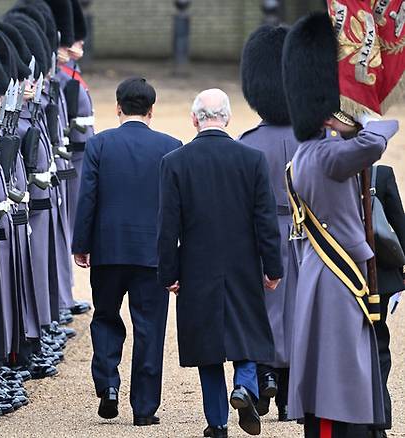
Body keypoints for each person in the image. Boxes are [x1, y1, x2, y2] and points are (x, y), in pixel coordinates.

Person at [281, 12, 398, 437]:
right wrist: (359, 114)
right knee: (338, 378)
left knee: (342, 371)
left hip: (325, 272)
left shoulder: (305, 157)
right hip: (338, 277)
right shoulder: (329, 155)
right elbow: (382, 134)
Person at [158, 88, 283, 438]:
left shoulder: (174, 162)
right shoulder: (253, 159)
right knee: (247, 330)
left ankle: (216, 423)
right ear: (227, 118)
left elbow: (167, 226)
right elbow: (266, 221)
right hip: (244, 261)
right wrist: (273, 267)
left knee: (207, 347)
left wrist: (169, 272)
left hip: (196, 264)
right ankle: (244, 385)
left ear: (194, 119)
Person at [72, 77, 181, 426]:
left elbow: (87, 197)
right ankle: (145, 409)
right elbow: (176, 207)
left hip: (109, 248)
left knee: (105, 317)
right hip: (153, 252)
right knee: (149, 329)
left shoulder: (99, 144)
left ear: (117, 107)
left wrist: (82, 244)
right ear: (151, 110)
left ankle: (107, 385)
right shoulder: (170, 145)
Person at [238, 24, 300, 421]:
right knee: (300, 313)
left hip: (262, 238)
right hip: (307, 237)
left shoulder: (246, 144)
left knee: (264, 310)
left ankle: (265, 378)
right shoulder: (314, 141)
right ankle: (292, 395)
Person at [372, 165, 405, 438]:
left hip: (339, 274)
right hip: (379, 277)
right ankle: (379, 417)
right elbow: (399, 224)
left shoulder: (328, 169)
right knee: (379, 345)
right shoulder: (381, 175)